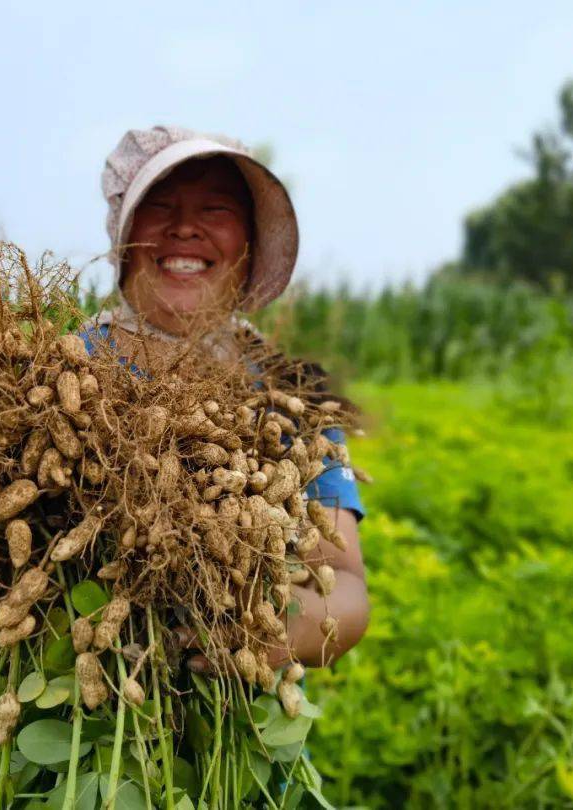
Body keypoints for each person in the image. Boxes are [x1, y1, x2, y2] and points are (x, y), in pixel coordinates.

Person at [84, 126, 369, 670]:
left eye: (215, 210)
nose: (184, 227)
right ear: (122, 236)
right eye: (159, 206)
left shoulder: (294, 392)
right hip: (77, 714)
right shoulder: (56, 372)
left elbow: (347, 587)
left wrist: (262, 632)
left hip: (243, 720)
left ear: (249, 243)